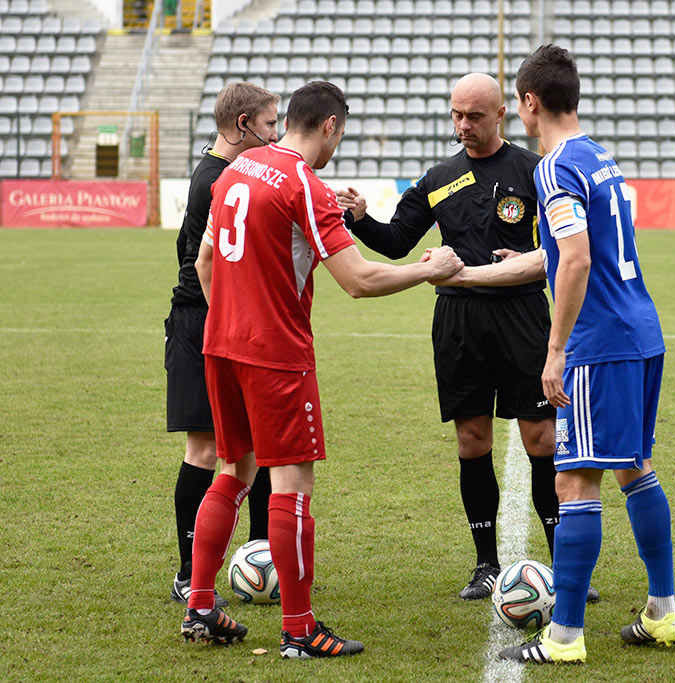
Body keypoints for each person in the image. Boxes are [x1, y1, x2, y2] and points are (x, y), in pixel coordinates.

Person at [178, 81, 463, 658]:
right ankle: (300, 629)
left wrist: (230, 319)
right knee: (292, 485)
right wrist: (428, 269)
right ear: (330, 126)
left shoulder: (240, 166)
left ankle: (201, 606)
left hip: (220, 344)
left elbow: (205, 259)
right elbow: (358, 280)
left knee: (232, 469)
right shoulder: (305, 184)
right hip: (275, 355)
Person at [432, 46, 675, 665]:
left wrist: (556, 348)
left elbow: (576, 258)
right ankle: (662, 612)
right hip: (641, 330)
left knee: (574, 482)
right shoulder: (600, 156)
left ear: (528, 102)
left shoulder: (553, 166)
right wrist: (519, 264)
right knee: (634, 467)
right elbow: (568, 249)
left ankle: (565, 635)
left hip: (598, 343)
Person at [337, 73, 597, 602]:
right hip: (458, 323)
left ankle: (561, 566)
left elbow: (564, 249)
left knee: (542, 440)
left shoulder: (536, 171)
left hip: (523, 317)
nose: (463, 127)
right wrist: (360, 220)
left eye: (474, 117)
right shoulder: (438, 177)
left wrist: (528, 264)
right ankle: (485, 564)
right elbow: (395, 241)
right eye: (456, 116)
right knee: (471, 441)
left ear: (501, 114)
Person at [165, 81, 278, 607]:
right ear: (243, 125)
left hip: (231, 322)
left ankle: (263, 558)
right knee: (207, 448)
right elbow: (207, 262)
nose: (275, 133)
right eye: (271, 123)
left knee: (253, 447)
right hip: (201, 322)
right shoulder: (216, 180)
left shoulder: (226, 174)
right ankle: (188, 571)